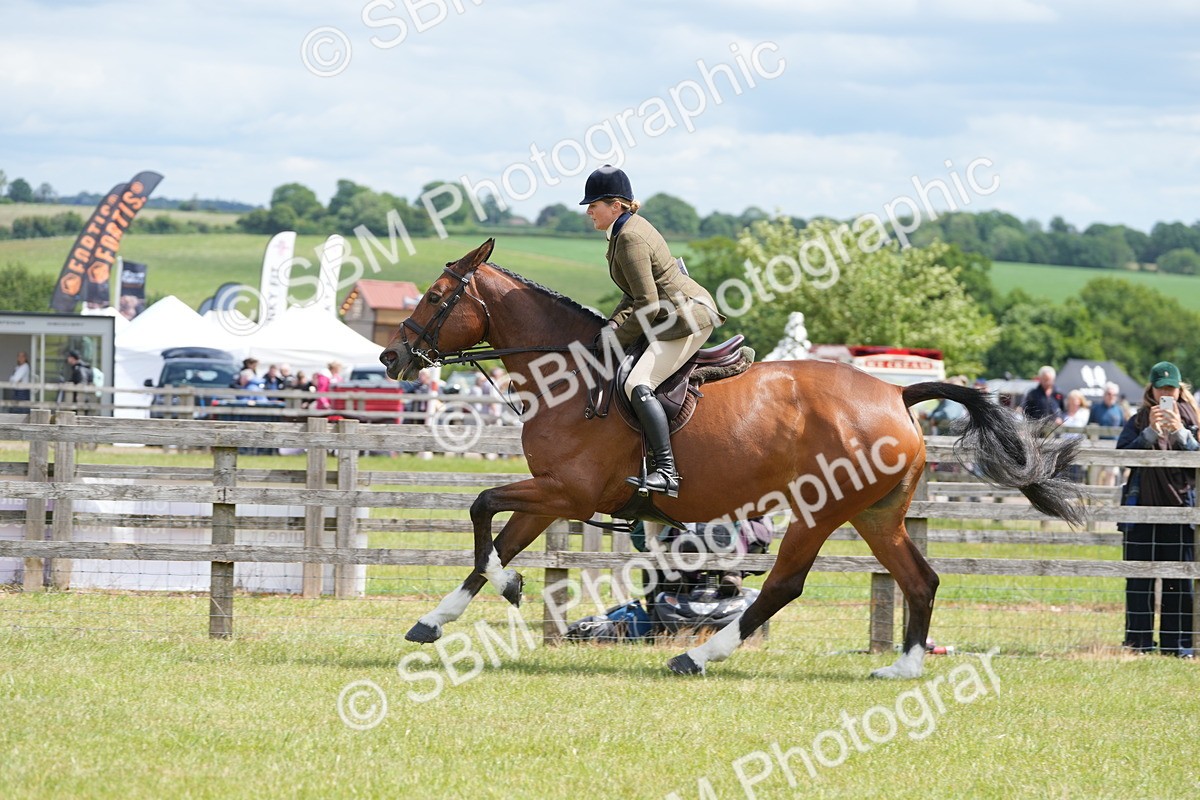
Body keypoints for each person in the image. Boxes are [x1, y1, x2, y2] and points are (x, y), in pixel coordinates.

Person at [582, 165, 725, 497]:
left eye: (594, 204)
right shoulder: (622, 230)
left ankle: (667, 472)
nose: (589, 211)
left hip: (687, 316)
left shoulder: (630, 237)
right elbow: (633, 294)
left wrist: (616, 341)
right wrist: (613, 324)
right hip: (668, 313)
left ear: (615, 205)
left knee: (636, 382)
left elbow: (646, 302)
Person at [1115, 361, 1198, 657]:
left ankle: (1178, 646)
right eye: (1161, 388)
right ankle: (1138, 643)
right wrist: (1150, 432)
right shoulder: (1137, 420)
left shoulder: (1193, 419)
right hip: (1141, 510)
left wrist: (1181, 433)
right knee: (1139, 579)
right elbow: (1121, 457)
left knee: (1180, 581)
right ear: (1151, 390)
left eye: (1171, 389)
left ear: (1179, 390)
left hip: (1182, 511)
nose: (1166, 394)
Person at [1089, 382, 1126, 487]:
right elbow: (1089, 427)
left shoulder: (1119, 410)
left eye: (1114, 394)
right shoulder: (1096, 408)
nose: (1111, 396)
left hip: (1113, 448)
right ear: (1104, 394)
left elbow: (1123, 428)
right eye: (1109, 394)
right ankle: (1093, 497)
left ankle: (1108, 497)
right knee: (1095, 475)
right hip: (1097, 448)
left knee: (1111, 474)